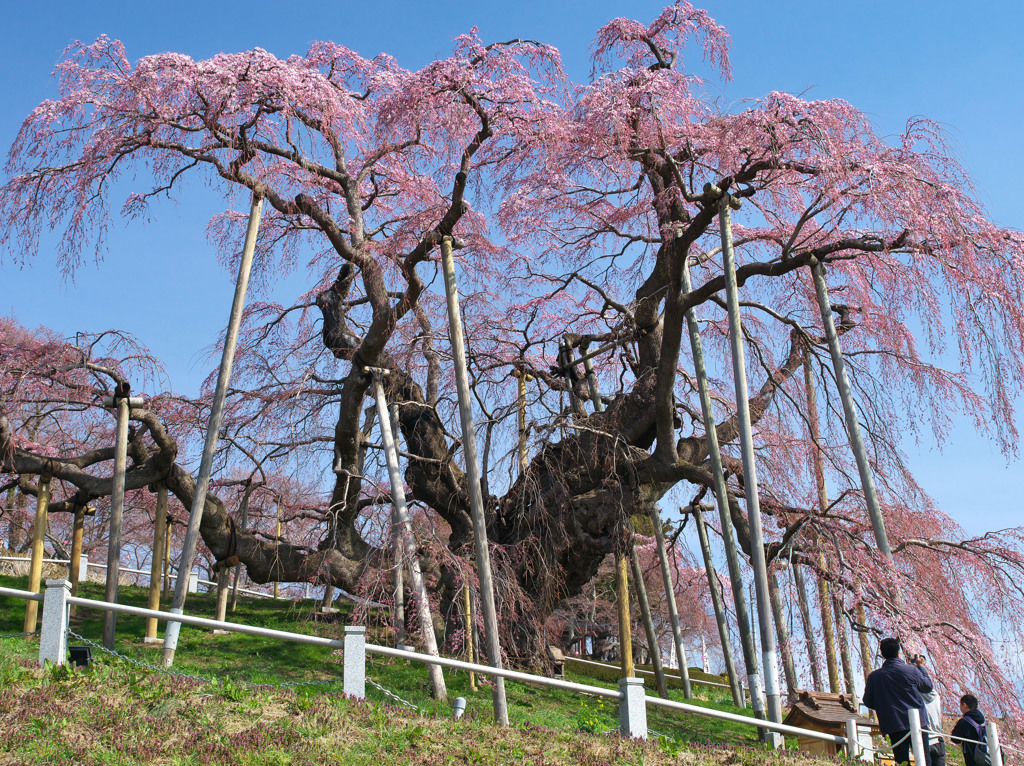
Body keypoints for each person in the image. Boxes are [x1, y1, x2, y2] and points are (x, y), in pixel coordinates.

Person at [863, 637, 933, 766]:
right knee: (923, 757)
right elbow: (927, 687)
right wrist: (920, 666)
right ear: (898, 653)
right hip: (917, 721)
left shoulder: (875, 677)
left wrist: (885, 705)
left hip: (894, 722)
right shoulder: (911, 670)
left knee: (901, 760)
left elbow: (867, 701)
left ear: (883, 654)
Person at [918, 656, 946, 766]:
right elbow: (926, 683)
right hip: (938, 739)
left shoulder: (916, 698)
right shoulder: (936, 696)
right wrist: (920, 666)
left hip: (924, 741)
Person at [951, 694, 987, 765]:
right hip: (985, 757)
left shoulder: (964, 722)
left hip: (972, 759)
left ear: (964, 705)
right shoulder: (983, 720)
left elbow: (955, 739)